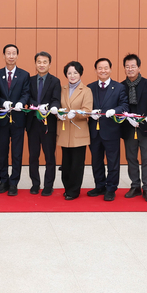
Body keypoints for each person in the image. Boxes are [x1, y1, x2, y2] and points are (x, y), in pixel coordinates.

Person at [87, 57, 128, 202]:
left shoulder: (119, 87)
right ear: (95, 70)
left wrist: (114, 111)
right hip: (94, 131)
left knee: (113, 162)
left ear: (110, 69)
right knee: (96, 161)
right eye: (100, 68)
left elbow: (124, 105)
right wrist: (90, 112)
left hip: (111, 131)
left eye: (106, 68)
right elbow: (85, 105)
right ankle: (100, 186)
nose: (103, 71)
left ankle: (111, 188)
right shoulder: (90, 87)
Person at [120, 54, 147, 203]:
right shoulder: (121, 86)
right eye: (127, 66)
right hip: (128, 127)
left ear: (139, 68)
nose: (130, 69)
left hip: (146, 127)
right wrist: (127, 118)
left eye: (133, 66)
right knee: (131, 158)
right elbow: (121, 106)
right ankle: (135, 186)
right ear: (124, 68)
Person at [0, 44, 30, 196]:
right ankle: (3, 180)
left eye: (13, 53)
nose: (11, 56)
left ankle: (14, 182)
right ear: (3, 55)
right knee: (2, 152)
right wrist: (3, 102)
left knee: (17, 152)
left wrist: (21, 102)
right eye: (8, 53)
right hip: (2, 119)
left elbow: (26, 92)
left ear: (17, 56)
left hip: (18, 118)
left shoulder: (24, 75)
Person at [57, 61, 93, 200]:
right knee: (66, 163)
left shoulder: (86, 90)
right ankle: (67, 188)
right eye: (69, 73)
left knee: (76, 164)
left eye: (75, 73)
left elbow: (87, 110)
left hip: (79, 132)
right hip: (65, 131)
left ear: (80, 74)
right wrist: (59, 114)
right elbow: (58, 106)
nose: (72, 76)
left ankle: (74, 191)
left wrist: (76, 113)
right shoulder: (62, 89)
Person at [27, 51, 61, 196]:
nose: (42, 65)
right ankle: (35, 184)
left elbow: (56, 99)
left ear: (49, 64)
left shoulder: (55, 81)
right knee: (33, 156)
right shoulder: (30, 80)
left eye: (44, 62)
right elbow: (27, 97)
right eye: (39, 62)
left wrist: (51, 107)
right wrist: (36, 105)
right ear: (35, 64)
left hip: (48, 123)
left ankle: (48, 185)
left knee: (49, 156)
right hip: (33, 123)